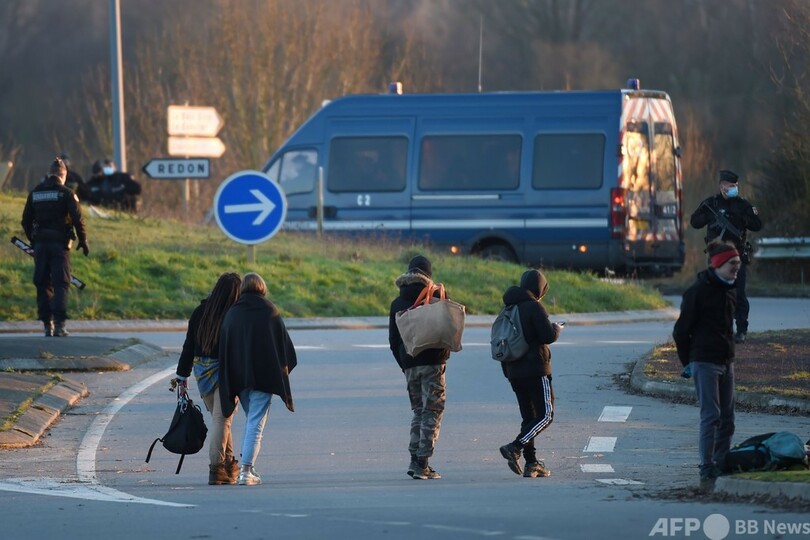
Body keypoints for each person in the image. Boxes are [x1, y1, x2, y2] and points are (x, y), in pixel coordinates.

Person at [672, 242, 741, 491]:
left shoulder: (731, 290)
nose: (736, 269)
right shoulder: (698, 292)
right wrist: (687, 361)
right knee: (711, 416)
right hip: (704, 362)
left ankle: (722, 461)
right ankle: (707, 465)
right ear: (718, 264)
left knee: (728, 418)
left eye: (738, 264)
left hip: (726, 361)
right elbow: (681, 331)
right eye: (732, 264)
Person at [218, 273, 297, 486]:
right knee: (256, 423)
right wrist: (282, 368)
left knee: (252, 419)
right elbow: (284, 345)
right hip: (264, 377)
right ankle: (246, 471)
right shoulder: (269, 311)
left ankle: (249, 467)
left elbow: (225, 345)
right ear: (262, 287)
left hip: (240, 377)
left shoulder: (233, 313)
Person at [174, 272, 242, 485]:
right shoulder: (234, 315)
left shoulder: (200, 311)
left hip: (202, 373)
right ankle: (217, 468)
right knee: (222, 419)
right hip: (226, 373)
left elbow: (188, 346)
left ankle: (230, 464)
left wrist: (181, 376)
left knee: (221, 419)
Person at [388, 255, 450, 480]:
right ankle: (422, 462)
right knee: (432, 411)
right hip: (434, 363)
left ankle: (415, 459)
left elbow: (393, 340)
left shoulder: (397, 302)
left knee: (418, 412)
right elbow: (448, 329)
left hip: (410, 365)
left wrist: (405, 365)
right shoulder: (436, 296)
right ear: (428, 275)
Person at [497, 269, 563, 478]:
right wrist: (556, 329)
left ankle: (532, 463)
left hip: (513, 371)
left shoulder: (508, 307)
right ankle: (514, 447)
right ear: (540, 288)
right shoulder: (534, 307)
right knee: (545, 415)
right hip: (536, 370)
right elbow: (546, 335)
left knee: (529, 418)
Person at [690, 169, 762, 344]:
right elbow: (695, 222)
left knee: (739, 294)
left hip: (737, 256)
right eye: (730, 186)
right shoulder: (711, 204)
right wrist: (707, 215)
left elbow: (757, 225)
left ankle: (741, 330)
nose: (734, 189)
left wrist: (745, 219)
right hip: (717, 257)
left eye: (736, 186)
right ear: (722, 186)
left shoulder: (743, 204)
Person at [20, 157, 89, 337]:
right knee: (61, 283)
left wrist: (33, 240)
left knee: (42, 282)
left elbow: (25, 220)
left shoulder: (35, 193)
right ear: (63, 175)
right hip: (60, 246)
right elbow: (78, 219)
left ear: (49, 174)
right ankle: (59, 325)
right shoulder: (67, 193)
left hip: (41, 245)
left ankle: (46, 325)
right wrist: (83, 240)